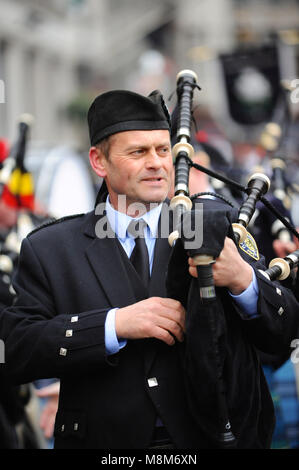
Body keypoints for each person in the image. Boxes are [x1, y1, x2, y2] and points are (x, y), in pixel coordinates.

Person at [0, 89, 299, 450]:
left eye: (162, 149)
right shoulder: (51, 248)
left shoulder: (218, 227)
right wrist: (114, 324)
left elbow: (285, 333)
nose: (157, 163)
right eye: (138, 152)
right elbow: (15, 349)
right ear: (99, 161)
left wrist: (243, 280)